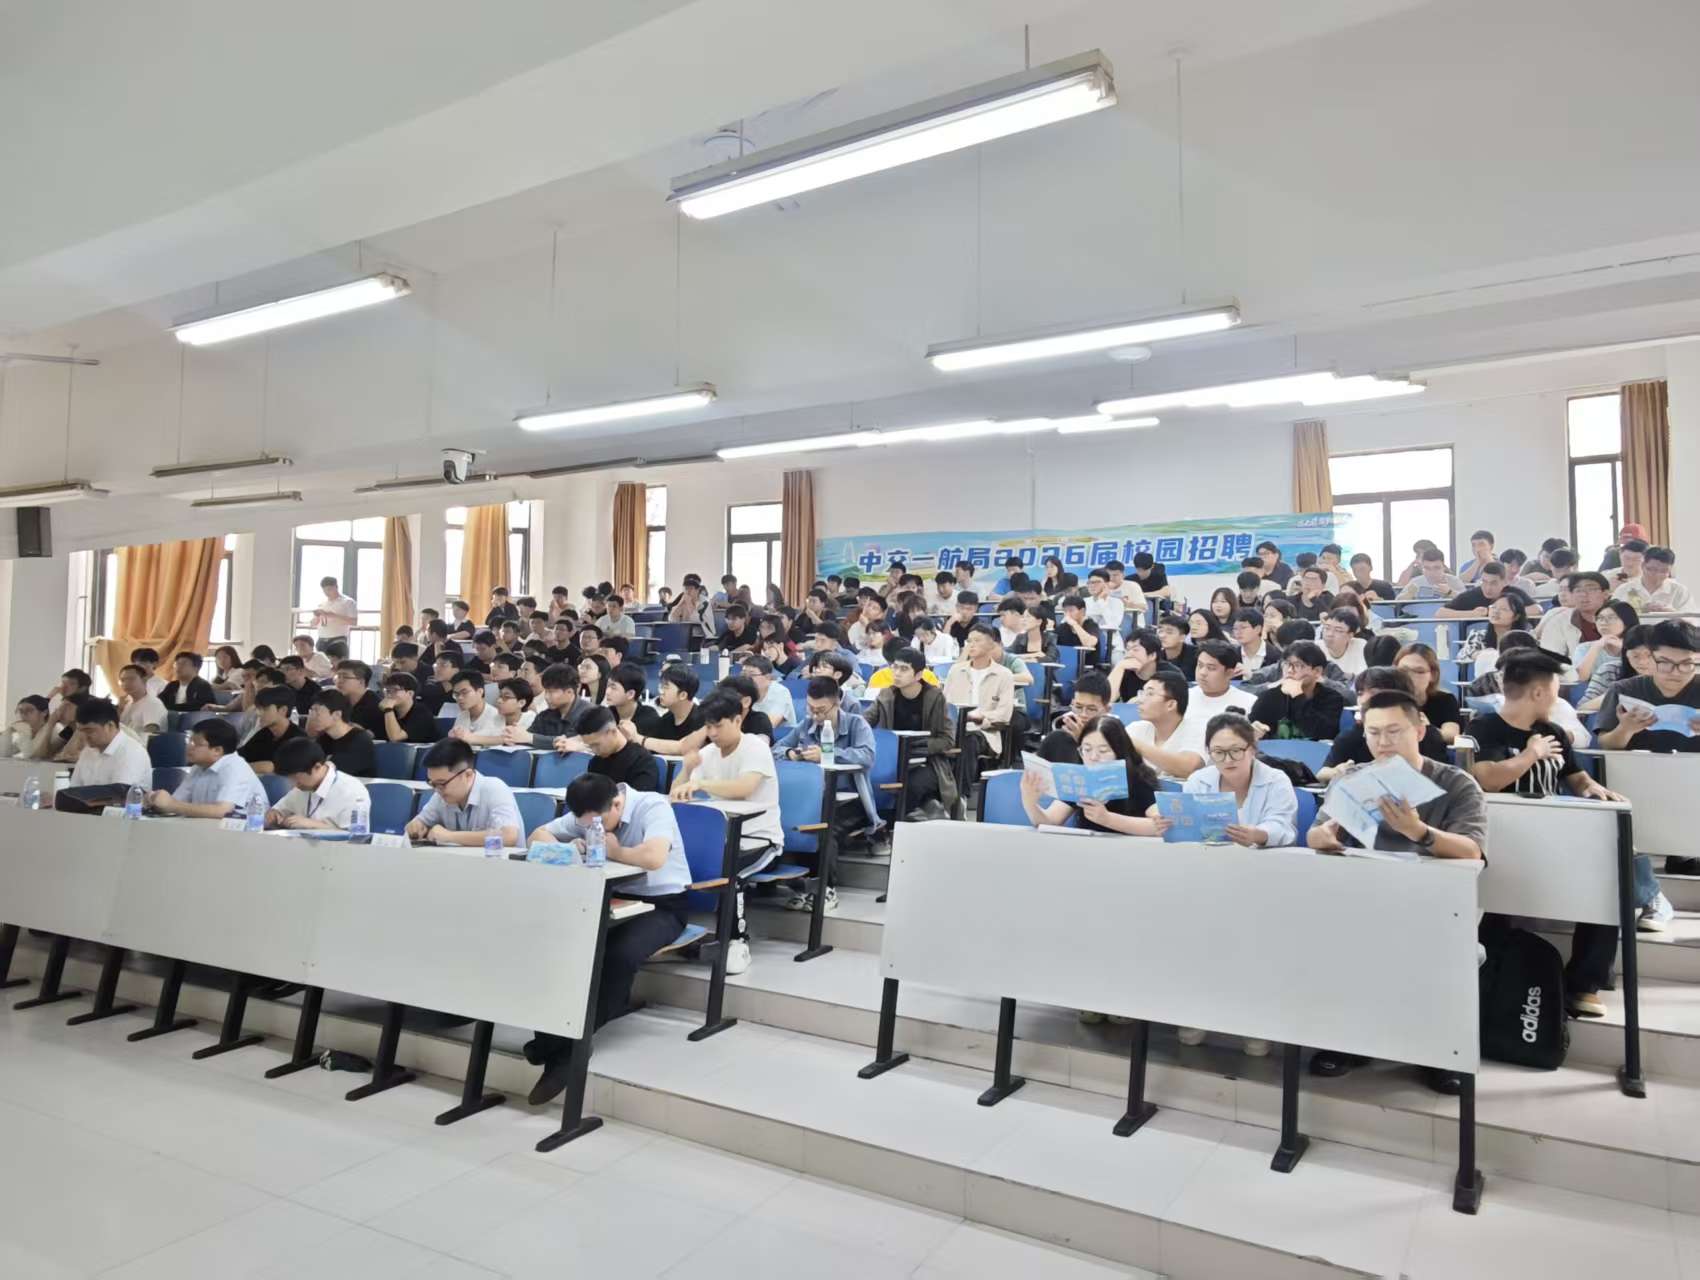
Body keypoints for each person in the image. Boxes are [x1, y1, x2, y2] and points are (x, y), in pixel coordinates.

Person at [1306, 689, 1485, 1090]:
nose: (1383, 742)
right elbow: (1317, 833)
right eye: (1373, 733)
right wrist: (1321, 838)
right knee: (1329, 936)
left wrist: (1418, 831)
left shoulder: (1457, 783)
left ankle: (1439, 1051)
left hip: (1433, 903)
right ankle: (1347, 1040)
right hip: (1362, 899)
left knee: (1441, 949)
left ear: (1419, 730)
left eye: (1393, 731)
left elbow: (1471, 851)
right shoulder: (1351, 780)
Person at [1467, 649, 1653, 1006]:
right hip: (1503, 841)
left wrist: (1594, 790)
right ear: (1538, 692)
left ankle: (1585, 984)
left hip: (1553, 836)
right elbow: (1487, 779)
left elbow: (1576, 777)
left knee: (1608, 884)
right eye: (1554, 689)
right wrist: (1530, 754)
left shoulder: (1552, 731)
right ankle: (1497, 984)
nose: (1557, 697)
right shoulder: (1483, 727)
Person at [523, 773, 694, 1101]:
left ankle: (565, 1045)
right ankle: (554, 1042)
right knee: (560, 946)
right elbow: (536, 836)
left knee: (619, 954)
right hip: (611, 899)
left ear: (616, 804)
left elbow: (654, 857)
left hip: (663, 905)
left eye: (598, 823)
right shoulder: (590, 810)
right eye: (585, 825)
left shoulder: (652, 806)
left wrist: (614, 850)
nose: (592, 829)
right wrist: (566, 846)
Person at [669, 691, 785, 973]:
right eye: (708, 727)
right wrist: (686, 771)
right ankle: (676, 934)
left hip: (760, 840)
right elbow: (675, 795)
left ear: (737, 720)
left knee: (730, 873)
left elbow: (743, 788)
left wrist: (701, 784)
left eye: (718, 726)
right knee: (671, 863)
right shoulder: (707, 754)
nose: (712, 733)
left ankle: (736, 942)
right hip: (720, 840)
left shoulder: (755, 748)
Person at [864, 647, 959, 820]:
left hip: (927, 762)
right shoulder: (887, 694)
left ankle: (890, 824)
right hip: (891, 761)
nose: (897, 673)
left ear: (918, 675)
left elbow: (947, 739)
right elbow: (864, 723)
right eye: (895, 667)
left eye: (904, 669)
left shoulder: (934, 697)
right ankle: (886, 820)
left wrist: (919, 748)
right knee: (870, 781)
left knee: (910, 786)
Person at [1318, 666, 1449, 781]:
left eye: (1374, 692)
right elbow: (1322, 773)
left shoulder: (1428, 735)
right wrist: (1337, 772)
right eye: (1360, 693)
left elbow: (1440, 775)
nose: (1363, 699)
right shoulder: (1351, 735)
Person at [405, 738, 522, 848]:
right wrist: (416, 827)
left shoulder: (495, 788)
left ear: (468, 775)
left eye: (442, 783)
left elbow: (509, 837)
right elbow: (420, 822)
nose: (437, 790)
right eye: (432, 784)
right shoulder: (441, 794)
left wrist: (449, 836)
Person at [149, 720, 268, 819]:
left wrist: (172, 805)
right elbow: (175, 802)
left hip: (245, 833)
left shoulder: (235, 768)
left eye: (197, 744)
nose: (189, 746)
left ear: (217, 750)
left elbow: (222, 811)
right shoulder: (198, 767)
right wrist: (155, 801)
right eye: (190, 741)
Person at [942, 626, 1017, 769]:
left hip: (984, 733)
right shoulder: (956, 670)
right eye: (969, 641)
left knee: (968, 739)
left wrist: (980, 717)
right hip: (952, 730)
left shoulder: (1004, 674)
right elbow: (944, 704)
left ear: (991, 645)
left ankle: (963, 784)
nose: (971, 645)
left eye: (977, 640)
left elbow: (1004, 714)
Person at [263, 738, 371, 831]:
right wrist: (273, 815)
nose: (293, 784)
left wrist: (315, 825)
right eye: (289, 778)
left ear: (317, 767)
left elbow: (357, 838)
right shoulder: (302, 787)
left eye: (296, 777)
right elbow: (278, 810)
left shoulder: (352, 792)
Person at [1248, 641, 1345, 741]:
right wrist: (1254, 731)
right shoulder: (1269, 697)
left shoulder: (1332, 698)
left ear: (1317, 671)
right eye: (1286, 664)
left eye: (1298, 665)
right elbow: (1250, 731)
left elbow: (1324, 734)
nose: (1290, 670)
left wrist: (1298, 696)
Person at [67, 699, 152, 790]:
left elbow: (119, 794)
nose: (84, 736)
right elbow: (74, 789)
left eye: (89, 730)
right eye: (81, 731)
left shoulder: (132, 752)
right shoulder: (88, 751)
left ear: (110, 726)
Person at [578, 706, 662, 792]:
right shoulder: (595, 762)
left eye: (596, 744)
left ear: (613, 731)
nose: (594, 751)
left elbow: (639, 798)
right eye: (590, 746)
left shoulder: (641, 761)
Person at [1036, 673, 1113, 764]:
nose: (1083, 714)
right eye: (1078, 707)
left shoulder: (1114, 743)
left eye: (1091, 709)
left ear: (1107, 710)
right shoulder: (1056, 739)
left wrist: (1082, 741)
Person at [1394, 643, 1462, 743]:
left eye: (1419, 671)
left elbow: (1451, 735)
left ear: (1433, 675)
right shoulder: (1386, 700)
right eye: (1403, 671)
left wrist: (1428, 729)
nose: (1409, 677)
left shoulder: (1445, 700)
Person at [629, 665, 705, 753]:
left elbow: (683, 747)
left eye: (666, 687)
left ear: (683, 695)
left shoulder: (703, 719)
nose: (661, 692)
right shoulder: (665, 720)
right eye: (661, 686)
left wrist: (639, 739)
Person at [306, 689, 378, 777]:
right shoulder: (324, 738)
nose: (312, 717)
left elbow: (326, 773)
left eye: (317, 711)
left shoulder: (360, 741)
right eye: (311, 711)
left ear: (337, 715)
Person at [1536, 571, 1611, 655]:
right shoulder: (1559, 621)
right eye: (1578, 590)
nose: (1583, 594)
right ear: (1572, 594)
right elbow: (1552, 657)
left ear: (1606, 594)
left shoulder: (1620, 617)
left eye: (1590, 589)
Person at [238, 686, 308, 773]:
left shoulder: (299, 740)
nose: (258, 713)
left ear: (283, 710)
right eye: (258, 709)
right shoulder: (264, 733)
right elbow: (240, 756)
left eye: (265, 709)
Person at [1184, 641, 1257, 726]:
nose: (1202, 672)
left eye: (1211, 668)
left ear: (1229, 673)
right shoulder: (1182, 698)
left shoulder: (1249, 702)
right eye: (1200, 665)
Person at [1454, 591, 1533, 668]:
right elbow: (1461, 656)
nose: (1496, 611)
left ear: (1516, 616)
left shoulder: (1524, 638)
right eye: (1493, 607)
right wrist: (1477, 654)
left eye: (1504, 609)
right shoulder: (1479, 635)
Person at [1615, 545, 1693, 614]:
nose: (1657, 575)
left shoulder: (1679, 591)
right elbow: (1612, 616)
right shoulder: (1624, 589)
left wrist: (1671, 613)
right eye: (1652, 569)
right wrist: (1639, 610)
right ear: (1642, 566)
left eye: (1663, 571)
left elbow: (1692, 620)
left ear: (1670, 570)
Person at [445, 670, 504, 744]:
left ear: (480, 692)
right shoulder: (461, 716)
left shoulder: (496, 716)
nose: (459, 698)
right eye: (456, 694)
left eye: (464, 692)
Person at [740, 655, 795, 731]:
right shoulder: (742, 692)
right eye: (743, 674)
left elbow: (769, 725)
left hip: (778, 736)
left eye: (751, 675)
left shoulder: (781, 692)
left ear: (768, 677)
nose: (746, 679)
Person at [332, 661, 385, 737]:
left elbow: (379, 737)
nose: (339, 681)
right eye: (338, 676)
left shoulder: (376, 706)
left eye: (345, 677)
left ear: (361, 681)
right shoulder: (336, 700)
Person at [113, 663, 168, 736]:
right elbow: (115, 729)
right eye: (123, 680)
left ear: (144, 680)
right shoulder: (126, 703)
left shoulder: (153, 703)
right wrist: (119, 710)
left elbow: (150, 735)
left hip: (140, 742)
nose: (126, 683)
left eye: (131, 679)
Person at [310, 577, 358, 652]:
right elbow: (312, 624)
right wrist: (317, 616)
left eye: (329, 589)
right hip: (321, 639)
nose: (327, 593)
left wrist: (332, 615)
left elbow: (354, 622)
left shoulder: (348, 602)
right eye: (324, 590)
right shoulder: (322, 603)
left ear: (336, 587)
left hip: (338, 639)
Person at [1396, 547, 1462, 601]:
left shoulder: (1454, 581)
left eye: (1436, 568)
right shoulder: (1415, 582)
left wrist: (1450, 592)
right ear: (1422, 568)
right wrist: (1409, 594)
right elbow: (1397, 603)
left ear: (1443, 567)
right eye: (1427, 568)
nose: (1432, 572)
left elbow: (1466, 602)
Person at [2, 695, 56, 760]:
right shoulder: (24, 731)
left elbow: (34, 758)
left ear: (44, 712)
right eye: (21, 711)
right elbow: (3, 754)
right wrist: (8, 732)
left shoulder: (55, 731)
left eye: (29, 710)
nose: (23, 715)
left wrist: (25, 734)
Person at [1319, 607, 1369, 678]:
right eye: (1327, 628)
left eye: (1338, 630)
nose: (1330, 634)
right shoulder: (1317, 647)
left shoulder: (1361, 646)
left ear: (1350, 635)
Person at [1231, 608, 1279, 674]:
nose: (1238, 632)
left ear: (1257, 629)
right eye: (1235, 628)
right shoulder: (1232, 655)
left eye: (1243, 627)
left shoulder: (1275, 655)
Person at [1154, 615, 1197, 680]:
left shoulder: (1196, 655)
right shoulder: (1155, 656)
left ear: (1182, 637)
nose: (1162, 636)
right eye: (1161, 631)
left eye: (1169, 632)